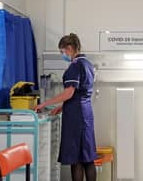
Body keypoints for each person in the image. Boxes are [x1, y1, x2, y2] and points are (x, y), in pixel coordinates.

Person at [34, 33, 97, 181]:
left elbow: (69, 92)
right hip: (86, 113)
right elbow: (79, 92)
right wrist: (62, 106)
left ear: (69, 48)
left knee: (76, 159)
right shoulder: (88, 64)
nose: (62, 55)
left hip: (76, 117)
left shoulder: (75, 66)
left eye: (62, 52)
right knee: (87, 157)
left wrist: (44, 104)